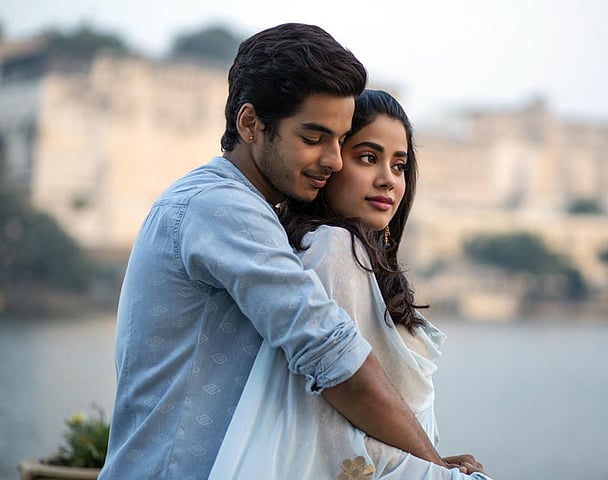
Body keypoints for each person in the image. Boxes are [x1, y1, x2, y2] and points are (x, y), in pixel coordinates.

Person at [100, 24, 453, 479]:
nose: (333, 160)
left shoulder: (249, 209)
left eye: (341, 141)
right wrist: (436, 468)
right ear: (250, 124)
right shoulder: (220, 206)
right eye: (313, 138)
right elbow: (330, 353)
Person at [209, 89, 490, 479]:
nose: (388, 180)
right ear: (333, 163)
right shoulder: (333, 248)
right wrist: (437, 471)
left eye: (399, 165)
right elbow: (335, 417)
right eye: (368, 158)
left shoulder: (355, 253)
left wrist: (435, 462)